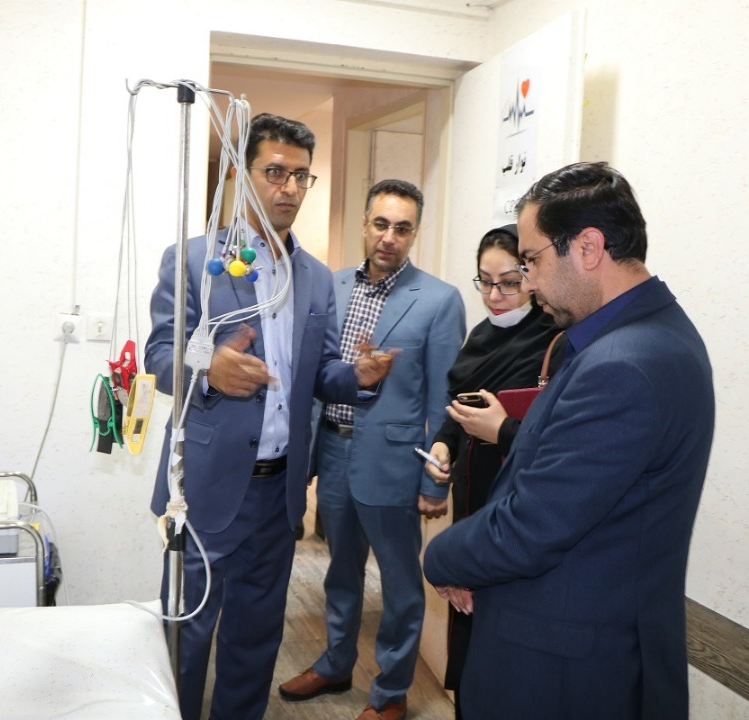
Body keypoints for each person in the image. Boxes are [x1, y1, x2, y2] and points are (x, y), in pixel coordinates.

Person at [423, 161, 715, 719]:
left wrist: (443, 555)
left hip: (568, 675)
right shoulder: (630, 340)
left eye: (532, 260)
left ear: (587, 247)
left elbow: (532, 525)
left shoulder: (625, 364)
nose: (528, 282)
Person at [145, 113, 393, 720]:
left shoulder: (315, 277)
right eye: (275, 172)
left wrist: (356, 377)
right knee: (186, 633)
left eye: (301, 176)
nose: (289, 187)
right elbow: (158, 355)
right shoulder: (195, 259)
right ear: (241, 173)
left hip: (280, 491)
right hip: (207, 486)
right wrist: (208, 368)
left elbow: (320, 371)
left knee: (256, 637)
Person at [278, 179, 466, 720]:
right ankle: (336, 664)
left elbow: (443, 400)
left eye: (402, 228)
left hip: (393, 463)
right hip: (333, 453)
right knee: (340, 572)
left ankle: (390, 693)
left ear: (414, 234)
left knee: (401, 586)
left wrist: (433, 481)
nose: (389, 237)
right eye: (380, 224)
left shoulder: (439, 300)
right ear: (364, 224)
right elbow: (314, 375)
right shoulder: (331, 285)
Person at [424, 223, 563, 719]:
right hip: (471, 496)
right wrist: (444, 442)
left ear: (532, 276)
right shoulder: (480, 336)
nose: (494, 296)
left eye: (508, 282)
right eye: (484, 282)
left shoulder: (554, 341)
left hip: (514, 503)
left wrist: (499, 429)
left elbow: (552, 440)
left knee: (500, 633)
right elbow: (459, 407)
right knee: (467, 622)